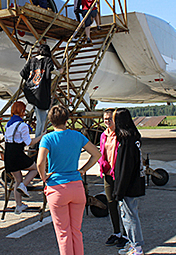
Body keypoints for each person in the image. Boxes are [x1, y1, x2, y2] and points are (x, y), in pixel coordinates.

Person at [37, 105, 101, 255]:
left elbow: (40, 162)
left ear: (50, 121)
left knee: (63, 233)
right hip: (77, 186)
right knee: (76, 231)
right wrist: (83, 170)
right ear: (67, 119)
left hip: (57, 187)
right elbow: (96, 154)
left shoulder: (48, 138)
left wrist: (44, 176)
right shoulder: (77, 135)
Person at [113, 108, 146, 255]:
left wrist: (119, 190)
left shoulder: (126, 142)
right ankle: (133, 243)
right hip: (134, 182)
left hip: (128, 186)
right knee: (129, 215)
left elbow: (125, 168)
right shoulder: (134, 137)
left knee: (129, 216)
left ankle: (137, 246)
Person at [4, 101, 44, 214]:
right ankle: (23, 186)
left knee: (18, 179)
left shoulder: (9, 124)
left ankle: (19, 205)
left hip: (9, 154)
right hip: (17, 154)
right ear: (22, 111)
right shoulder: (22, 125)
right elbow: (29, 142)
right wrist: (41, 136)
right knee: (35, 168)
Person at [98, 108, 128, 248]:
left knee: (123, 204)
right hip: (108, 174)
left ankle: (127, 234)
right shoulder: (103, 135)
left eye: (110, 119)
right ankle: (117, 232)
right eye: (105, 119)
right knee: (111, 204)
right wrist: (102, 163)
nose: (107, 121)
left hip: (120, 174)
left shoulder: (121, 135)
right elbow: (101, 152)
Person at [20, 44, 55, 138]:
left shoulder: (32, 60)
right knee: (42, 120)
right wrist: (60, 71)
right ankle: (39, 140)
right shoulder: (47, 60)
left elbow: (23, 73)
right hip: (41, 94)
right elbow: (50, 71)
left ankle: (38, 138)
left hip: (30, 91)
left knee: (39, 117)